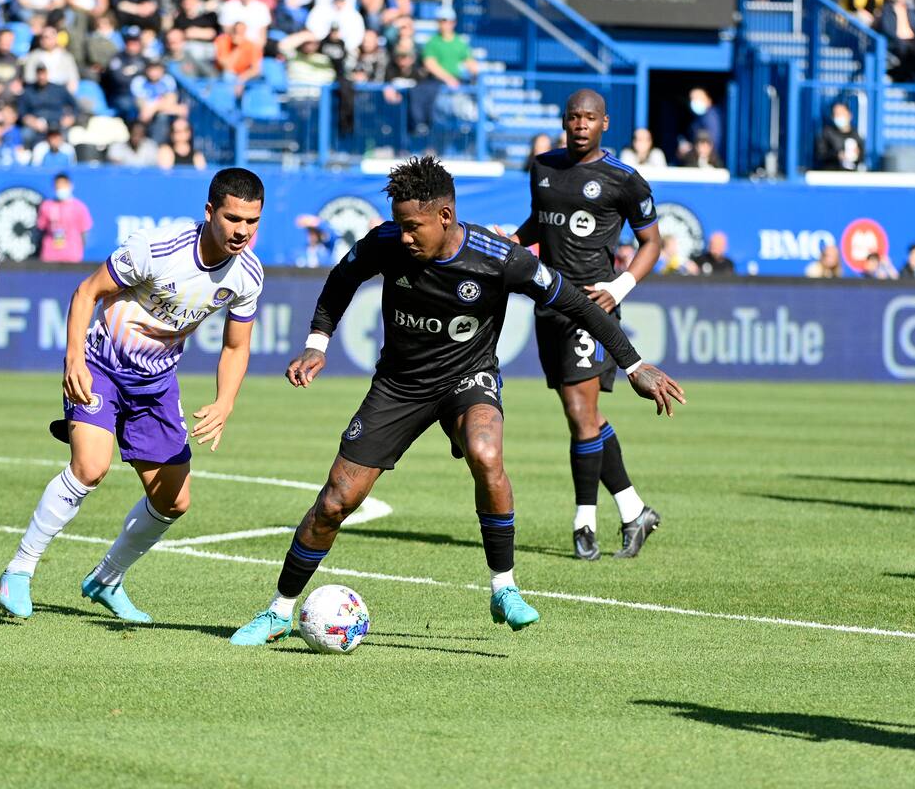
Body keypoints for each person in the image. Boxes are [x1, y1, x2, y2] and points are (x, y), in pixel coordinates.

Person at [228, 156, 684, 647]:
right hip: (399, 385)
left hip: (469, 378)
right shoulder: (385, 242)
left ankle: (504, 587)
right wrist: (317, 343)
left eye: (412, 226)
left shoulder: (500, 258)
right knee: (336, 501)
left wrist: (635, 365)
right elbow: (341, 281)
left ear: (445, 216)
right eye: (400, 225)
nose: (403, 236)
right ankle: (278, 611)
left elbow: (573, 302)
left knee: (487, 455)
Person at [0, 168, 265, 621]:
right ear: (209, 212)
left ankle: (106, 579)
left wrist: (225, 403)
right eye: (233, 218)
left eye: (252, 222)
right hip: (101, 366)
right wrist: (73, 359)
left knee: (173, 501)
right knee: (90, 467)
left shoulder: (247, 276)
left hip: (156, 385)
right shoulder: (156, 249)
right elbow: (86, 293)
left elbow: (236, 346)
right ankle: (19, 570)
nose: (242, 231)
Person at [499, 90, 667, 561]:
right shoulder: (543, 168)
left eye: (589, 118)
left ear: (604, 124)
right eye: (573, 116)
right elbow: (541, 222)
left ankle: (584, 522)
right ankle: (634, 512)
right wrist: (512, 240)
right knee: (588, 417)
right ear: (563, 120)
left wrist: (621, 286)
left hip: (591, 309)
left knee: (579, 415)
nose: (580, 124)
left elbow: (652, 241)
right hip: (546, 304)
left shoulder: (624, 180)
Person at [37, 174, 93, 262]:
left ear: (70, 185)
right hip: (50, 254)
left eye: (63, 185)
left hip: (72, 254)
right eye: (58, 186)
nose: (61, 188)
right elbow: (41, 228)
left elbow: (84, 232)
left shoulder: (79, 207)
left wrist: (80, 248)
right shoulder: (47, 205)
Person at [815, 102, 864, 171]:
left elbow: (863, 156)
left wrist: (858, 154)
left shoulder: (856, 134)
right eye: (836, 114)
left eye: (841, 113)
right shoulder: (827, 133)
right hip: (831, 174)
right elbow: (821, 154)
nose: (839, 117)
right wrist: (838, 155)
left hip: (851, 175)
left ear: (849, 115)